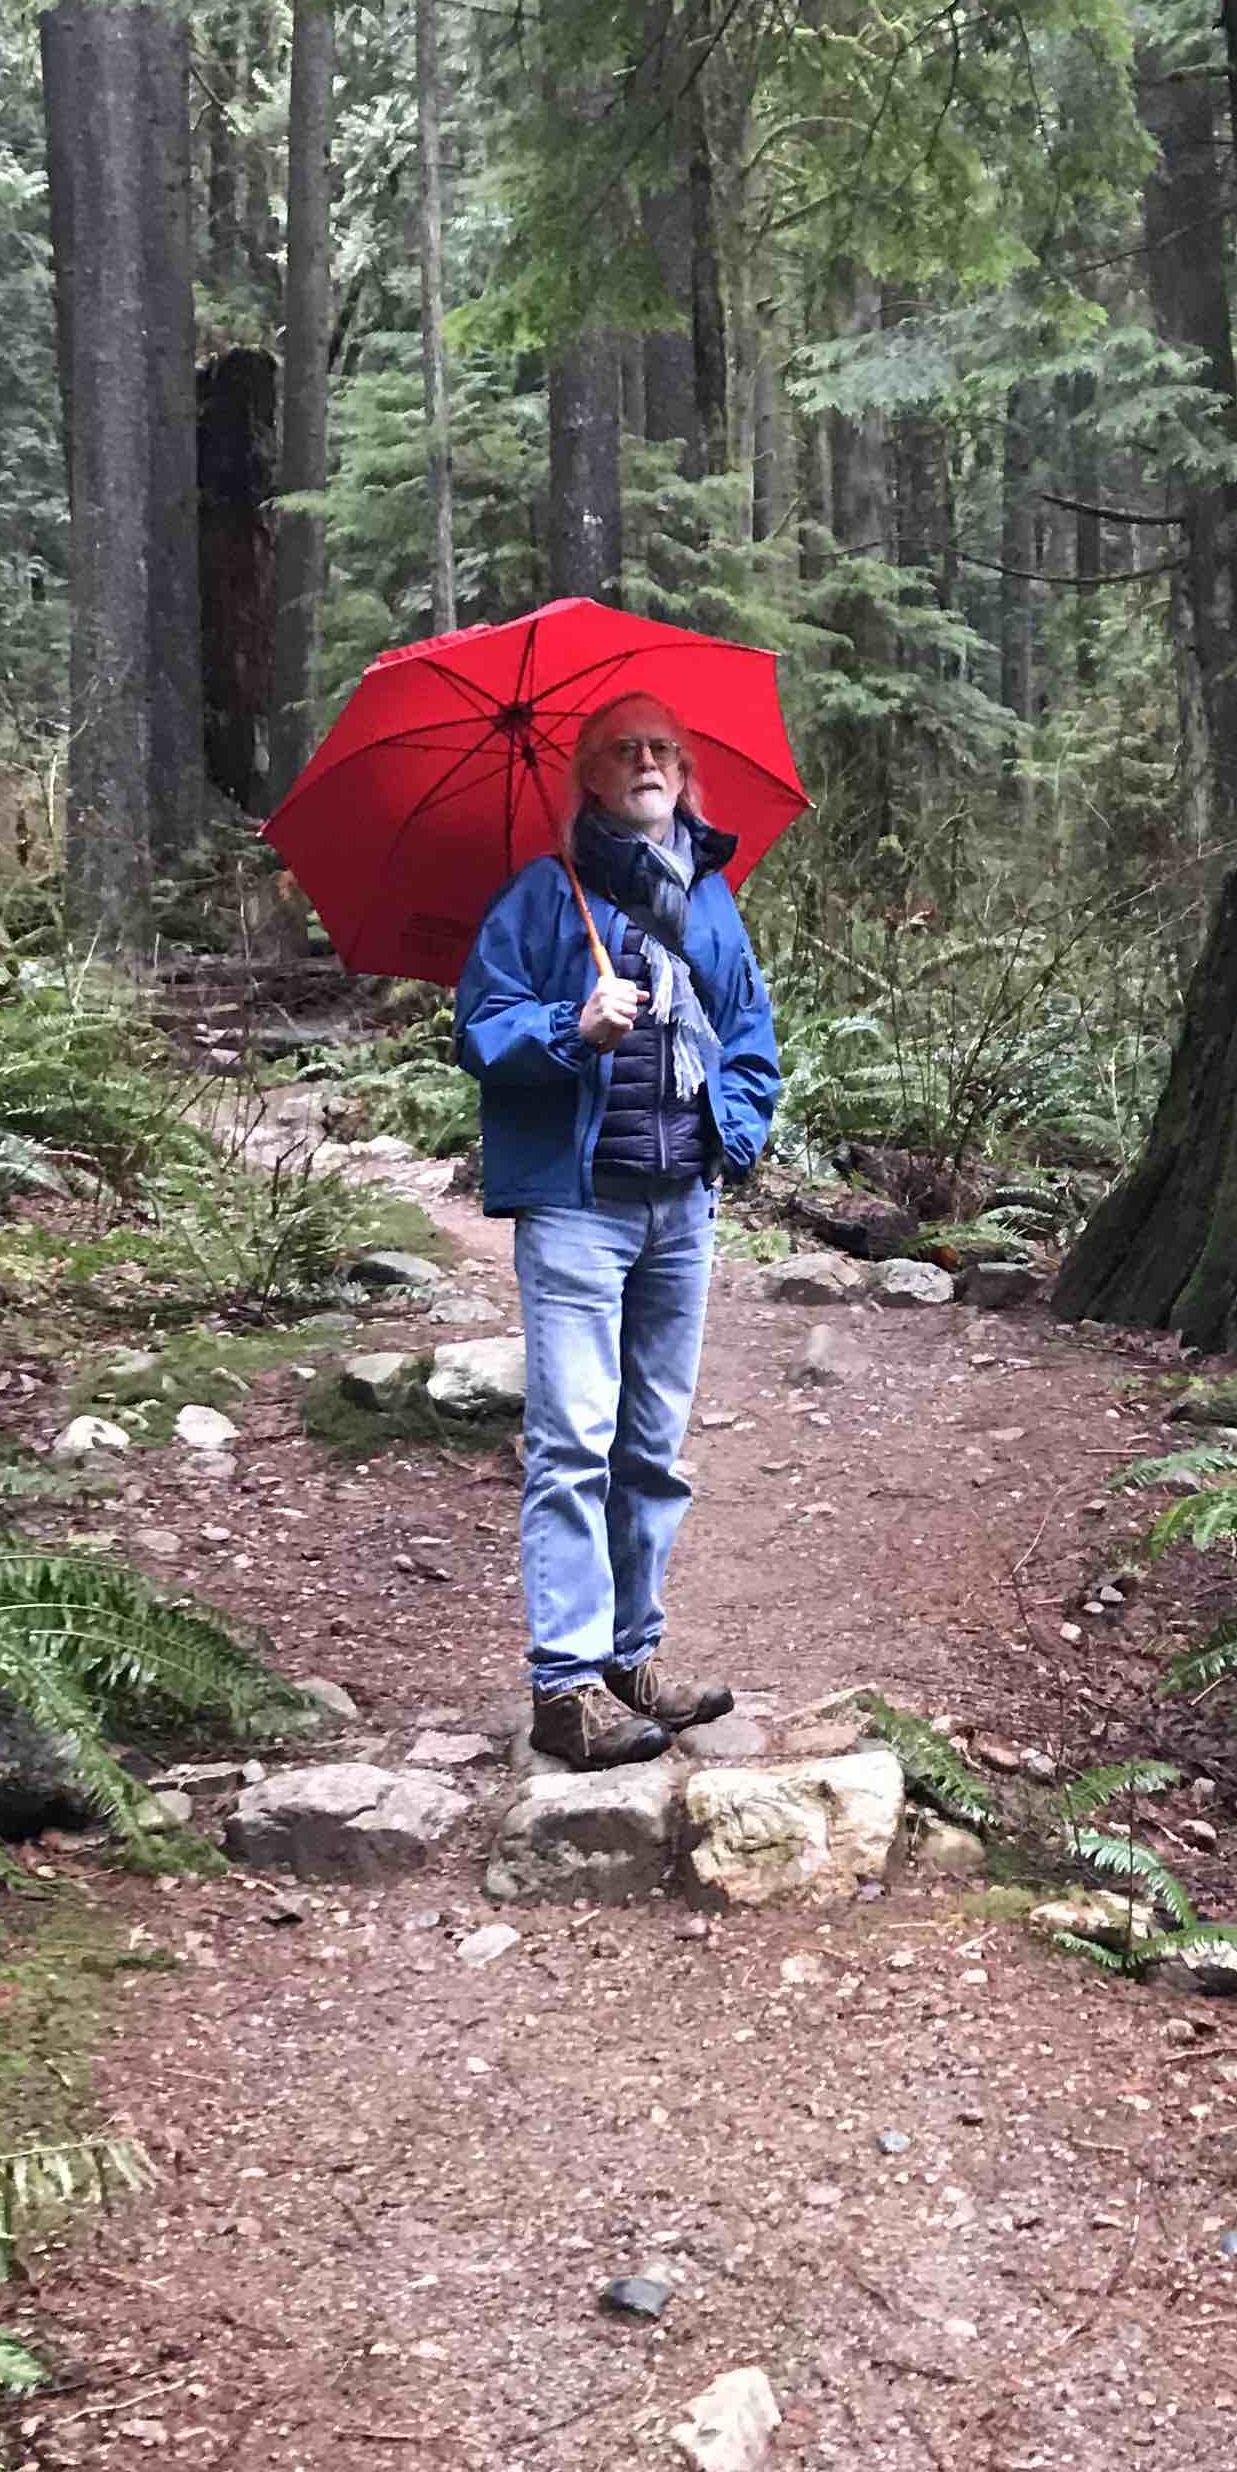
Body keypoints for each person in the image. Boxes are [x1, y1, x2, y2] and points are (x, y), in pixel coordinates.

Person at [452, 694, 781, 1769]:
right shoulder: (544, 898)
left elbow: (748, 1035)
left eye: (663, 751)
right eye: (623, 752)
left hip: (682, 1203)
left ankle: (632, 1660)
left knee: (653, 1450)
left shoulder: (713, 898)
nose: (646, 764)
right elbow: (480, 1028)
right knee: (572, 1445)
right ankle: (564, 1684)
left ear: (684, 776)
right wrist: (571, 1028)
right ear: (590, 779)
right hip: (578, 1206)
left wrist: (730, 1133)